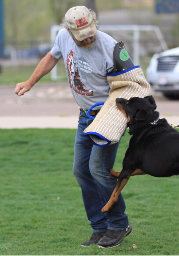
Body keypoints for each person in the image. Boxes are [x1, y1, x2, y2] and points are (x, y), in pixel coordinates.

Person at [15, 6, 132, 248]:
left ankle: (119, 224)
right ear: (69, 32)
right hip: (84, 117)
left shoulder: (112, 48)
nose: (88, 38)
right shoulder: (62, 37)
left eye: (91, 33)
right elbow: (51, 57)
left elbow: (132, 84)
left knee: (98, 169)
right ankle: (100, 227)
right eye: (82, 37)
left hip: (108, 117)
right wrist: (30, 81)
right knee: (81, 171)